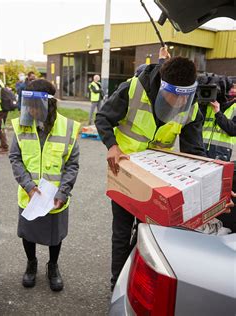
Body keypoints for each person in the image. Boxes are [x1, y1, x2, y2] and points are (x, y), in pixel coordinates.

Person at [95, 47, 209, 291]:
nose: (179, 102)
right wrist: (112, 146)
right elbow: (103, 118)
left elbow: (194, 151)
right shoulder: (133, 89)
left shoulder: (190, 105)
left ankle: (139, 280)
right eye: (173, 96)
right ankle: (117, 283)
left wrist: (210, 184)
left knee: (152, 235)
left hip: (158, 179)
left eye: (184, 97)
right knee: (122, 232)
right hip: (125, 172)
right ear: (162, 84)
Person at [9, 79, 80, 291]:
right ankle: (31, 264)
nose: (31, 109)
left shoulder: (68, 127)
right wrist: (28, 186)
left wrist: (63, 192)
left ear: (49, 104)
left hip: (56, 198)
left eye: (35, 105)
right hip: (29, 195)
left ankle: (53, 266)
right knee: (28, 233)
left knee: (54, 236)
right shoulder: (21, 124)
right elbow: (15, 157)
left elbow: (72, 164)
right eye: (28, 104)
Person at [200, 82, 236, 232]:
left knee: (222, 201)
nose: (233, 89)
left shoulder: (233, 107)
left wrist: (218, 113)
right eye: (232, 86)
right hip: (204, 159)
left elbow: (233, 129)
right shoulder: (206, 105)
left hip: (226, 161)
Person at [0, 80, 17, 154]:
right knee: (1, 127)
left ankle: (4, 146)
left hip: (0, 109)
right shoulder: (1, 84)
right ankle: (3, 145)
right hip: (4, 109)